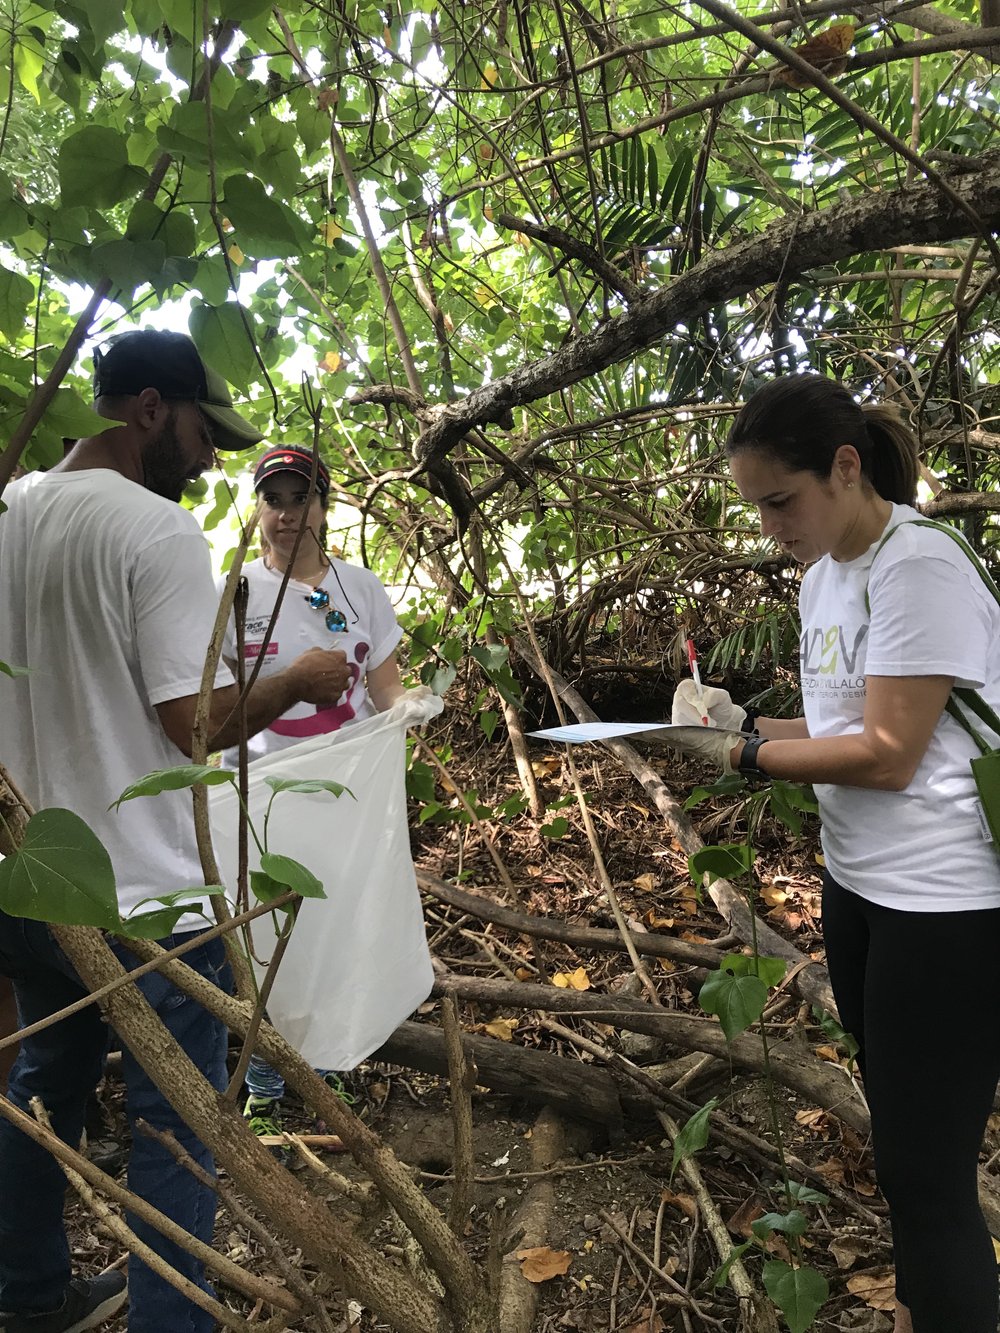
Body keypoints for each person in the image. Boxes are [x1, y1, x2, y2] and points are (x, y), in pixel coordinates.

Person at [0, 330, 352, 1333]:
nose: (209, 460)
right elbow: (189, 721)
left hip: (30, 874)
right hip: (142, 894)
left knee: (42, 1090)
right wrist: (292, 681)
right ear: (151, 408)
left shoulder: (11, 508)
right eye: (203, 432)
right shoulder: (152, 531)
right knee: (178, 1126)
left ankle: (25, 1298)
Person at [665, 373, 1000, 1333]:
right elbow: (843, 720)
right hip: (859, 888)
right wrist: (737, 718)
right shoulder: (824, 578)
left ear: (846, 468)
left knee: (923, 1169)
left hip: (947, 904)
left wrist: (745, 754)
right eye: (756, 507)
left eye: (782, 500)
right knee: (905, 1139)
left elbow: (891, 755)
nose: (772, 525)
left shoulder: (917, 566)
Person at [218, 445, 409, 1136]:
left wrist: (410, 710)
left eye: (300, 497)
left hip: (343, 796)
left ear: (324, 505)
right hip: (265, 798)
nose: (285, 514)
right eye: (273, 498)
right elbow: (215, 701)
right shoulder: (235, 593)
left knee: (336, 928)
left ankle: (326, 1070)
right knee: (271, 938)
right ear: (258, 507)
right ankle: (267, 1081)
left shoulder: (360, 588)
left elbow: (384, 687)